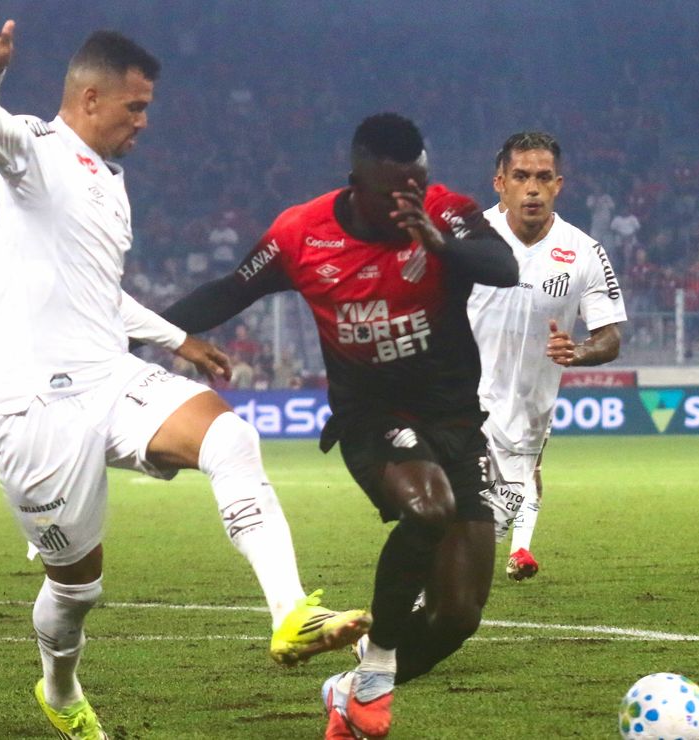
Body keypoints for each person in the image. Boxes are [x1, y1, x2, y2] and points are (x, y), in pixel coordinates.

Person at [0, 17, 368, 739]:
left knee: (229, 437)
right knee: (78, 587)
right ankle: (59, 687)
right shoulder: (37, 151)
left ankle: (291, 613)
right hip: (32, 401)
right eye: (134, 108)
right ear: (91, 97)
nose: (142, 122)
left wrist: (182, 342)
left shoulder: (109, 181)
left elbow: (103, 289)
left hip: (110, 375)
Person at [160, 113, 518, 739]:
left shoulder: (446, 213)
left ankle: (349, 689)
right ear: (356, 180)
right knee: (428, 508)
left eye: (416, 185)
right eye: (392, 191)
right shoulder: (302, 233)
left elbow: (502, 265)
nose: (405, 202)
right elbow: (229, 290)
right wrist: (149, 332)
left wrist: (438, 242)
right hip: (372, 418)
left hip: (458, 422)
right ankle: (376, 664)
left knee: (458, 615)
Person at [468, 132, 627, 580]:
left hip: (524, 425)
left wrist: (578, 352)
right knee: (454, 524)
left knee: (481, 536)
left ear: (559, 184)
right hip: (459, 408)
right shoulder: (469, 241)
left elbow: (610, 336)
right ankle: (395, 632)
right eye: (520, 176)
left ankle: (398, 628)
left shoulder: (585, 253)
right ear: (500, 182)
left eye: (542, 177)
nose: (532, 188)